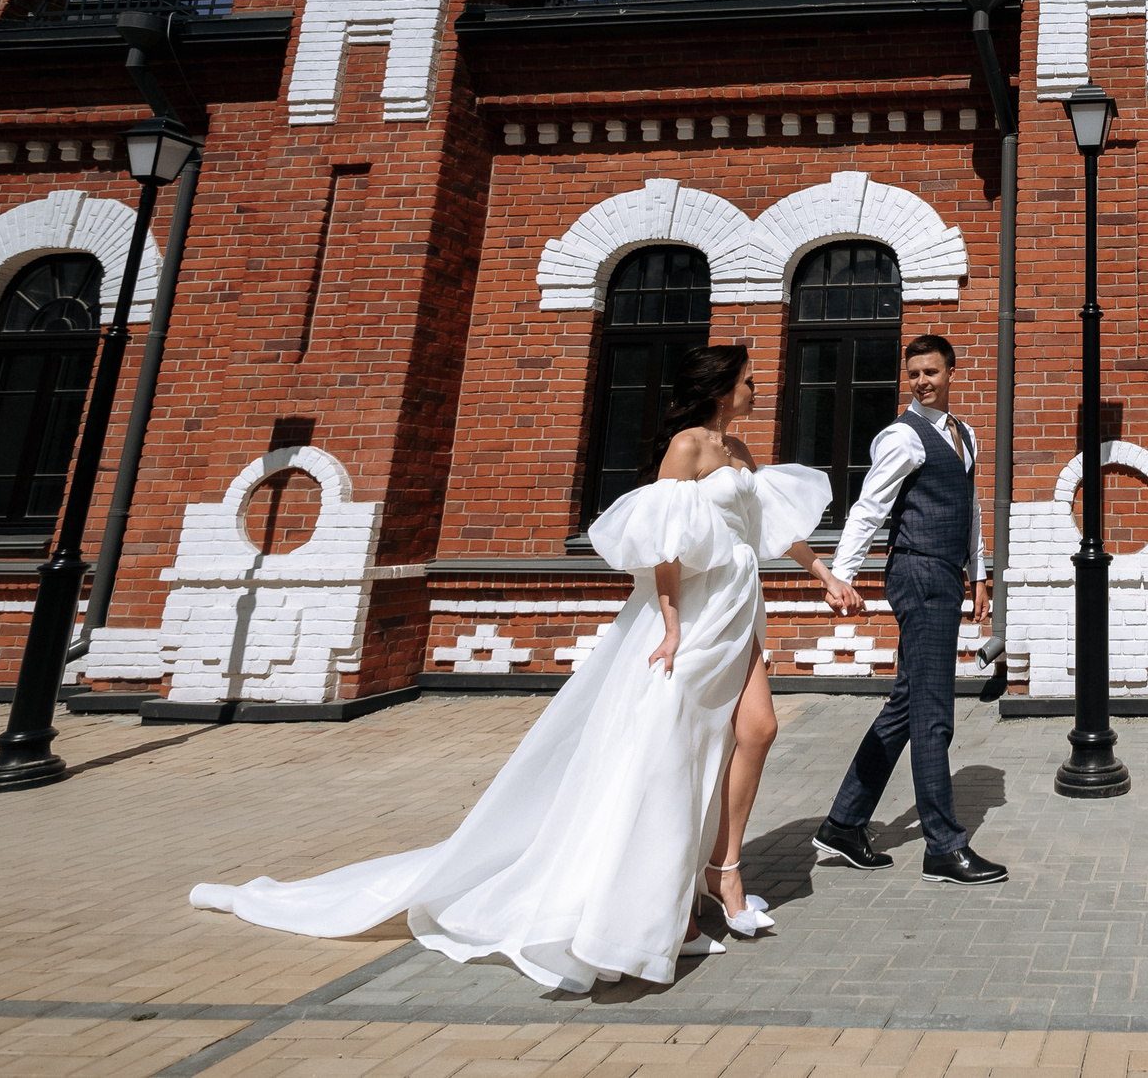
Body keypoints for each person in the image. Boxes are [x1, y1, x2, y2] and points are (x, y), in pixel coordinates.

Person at [187, 344, 860, 990]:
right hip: (691, 617)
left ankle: (725, 867)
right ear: (719, 383)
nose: (756, 388)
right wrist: (671, 621)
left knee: (759, 729)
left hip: (739, 613)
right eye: (747, 377)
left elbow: (768, 525)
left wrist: (823, 573)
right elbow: (662, 541)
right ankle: (663, 899)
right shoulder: (686, 446)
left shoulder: (739, 451)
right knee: (669, 752)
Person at [812, 333, 1008, 885]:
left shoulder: (963, 432)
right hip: (917, 572)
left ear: (951, 372)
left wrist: (979, 575)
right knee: (932, 710)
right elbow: (869, 507)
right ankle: (943, 846)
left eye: (932, 372)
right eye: (914, 374)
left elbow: (968, 508)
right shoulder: (902, 437)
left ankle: (844, 823)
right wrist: (842, 575)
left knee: (907, 703)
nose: (923, 381)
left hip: (946, 574)